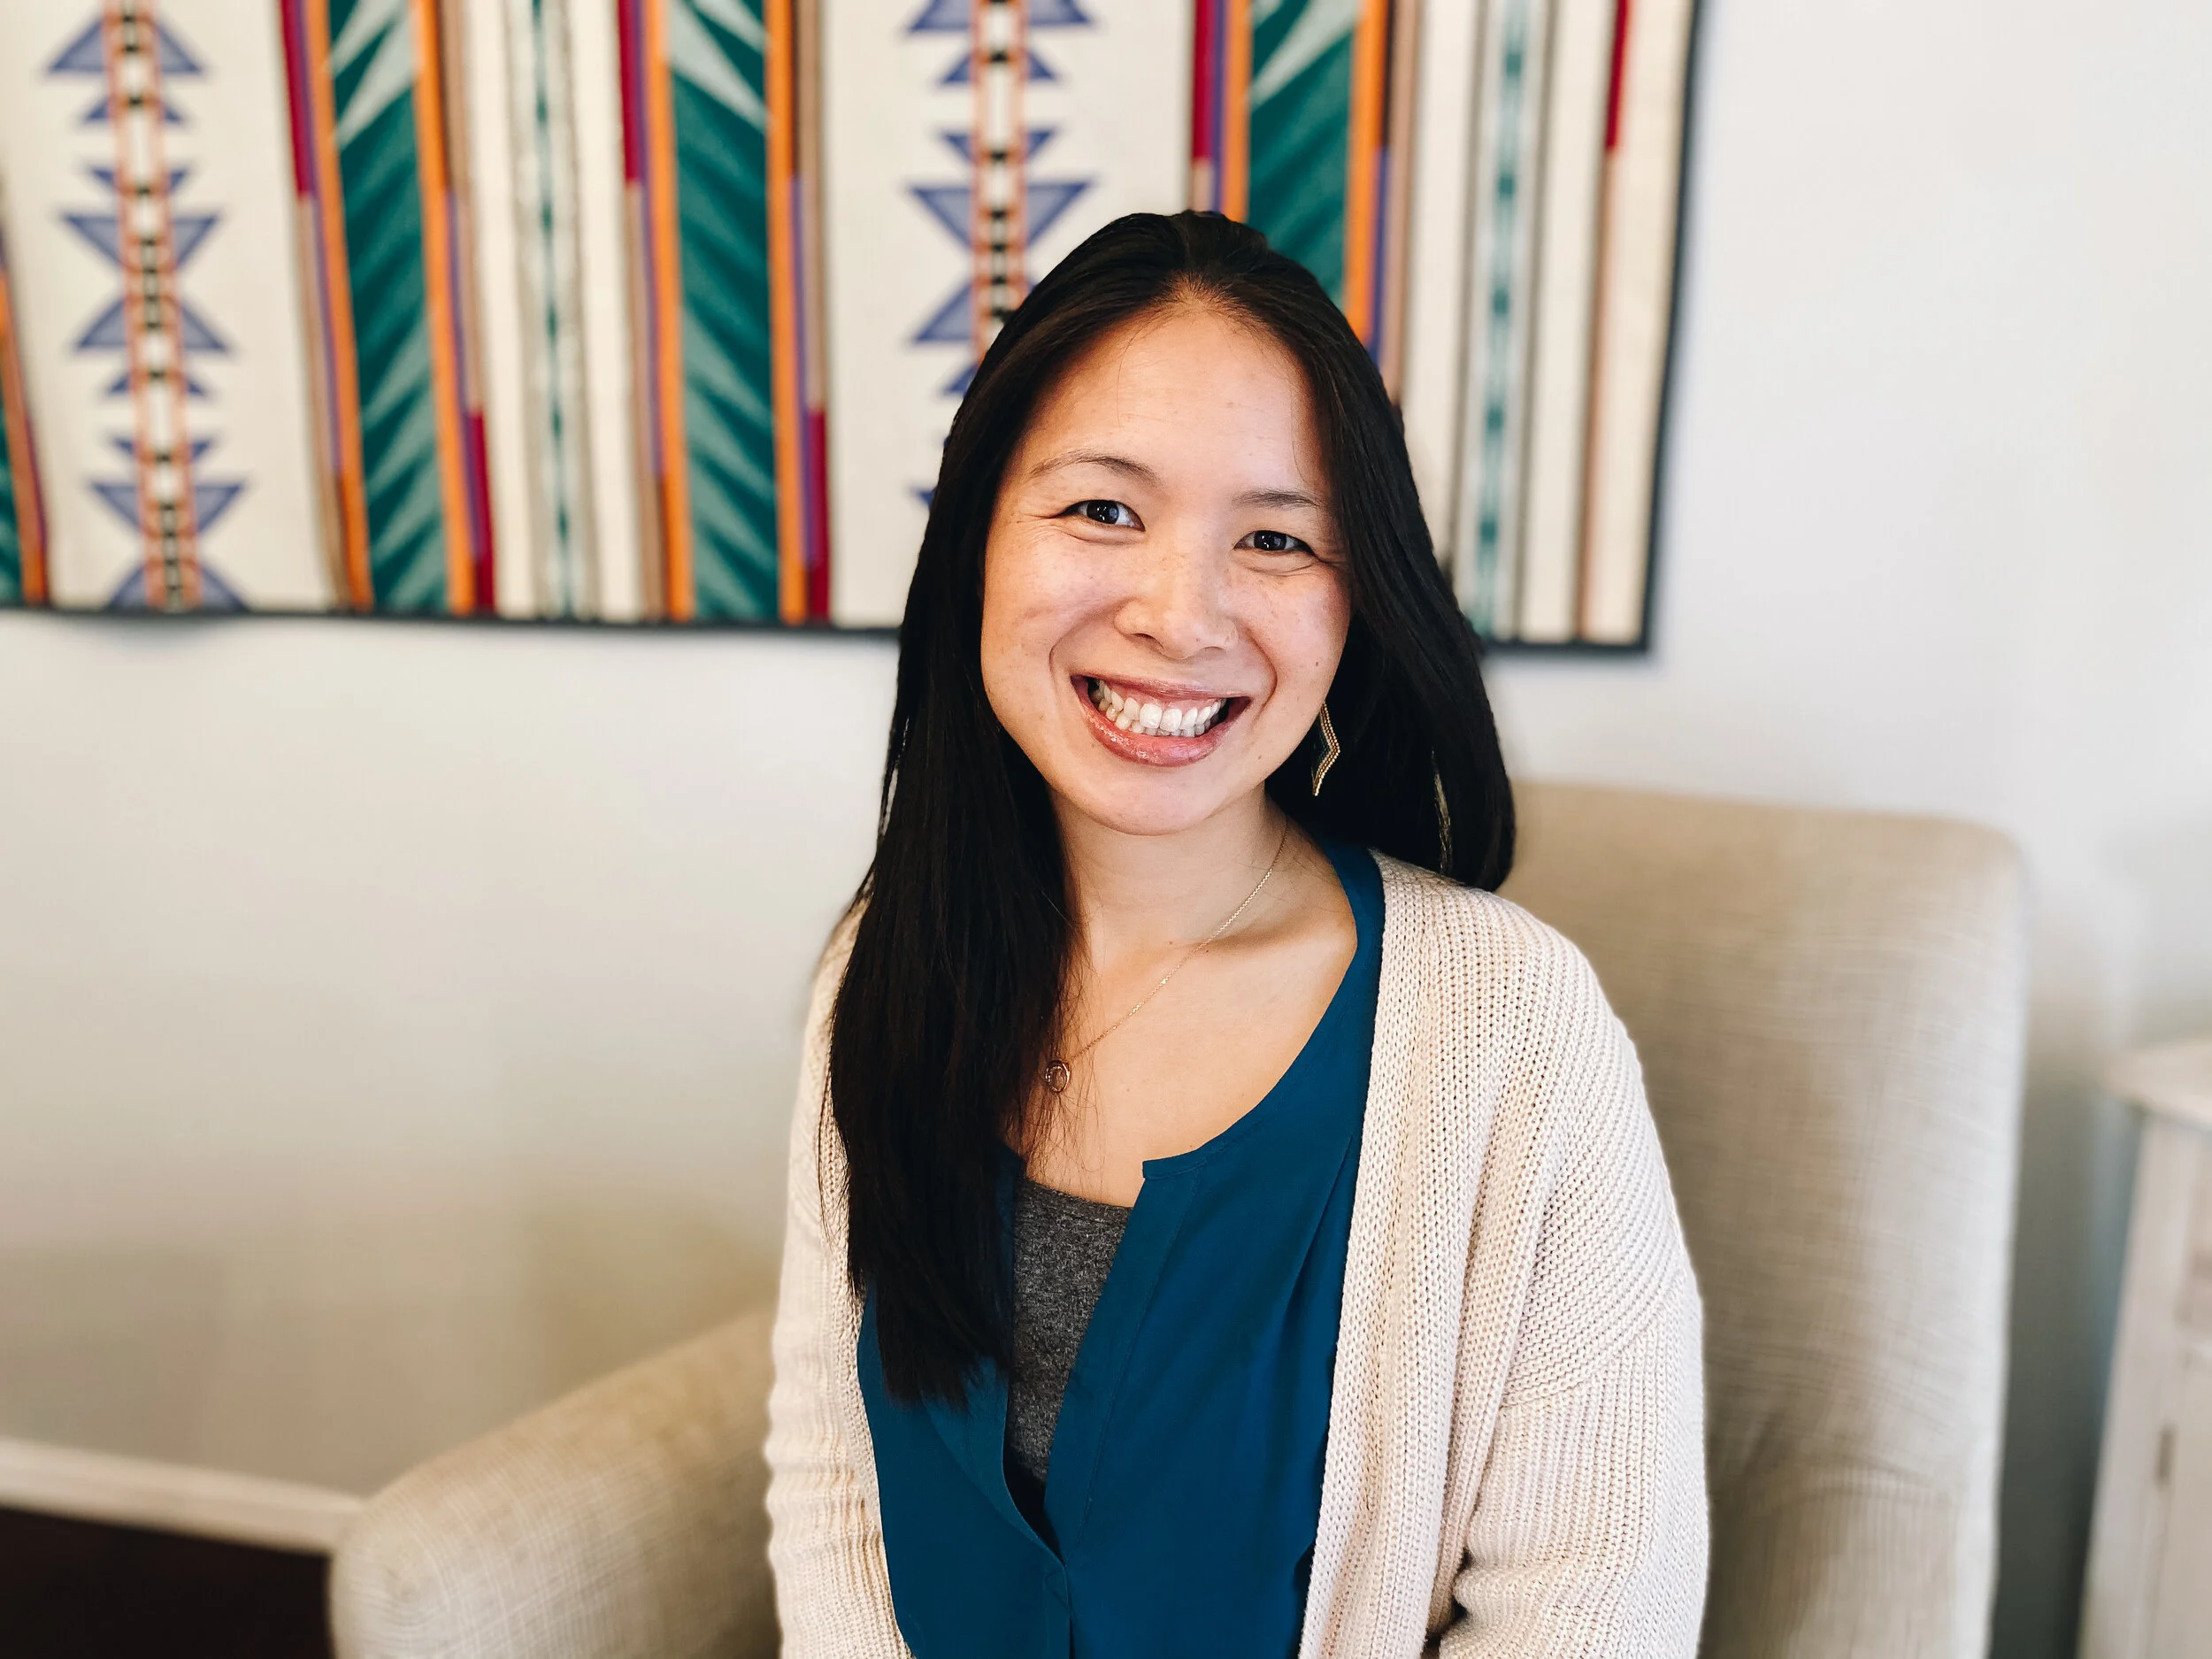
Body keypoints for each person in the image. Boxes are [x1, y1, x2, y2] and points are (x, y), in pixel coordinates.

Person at [764, 211, 1707, 1658]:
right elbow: (835, 1479)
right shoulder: (888, 967)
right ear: (975, 543)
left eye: (1273, 537)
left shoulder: (1515, 1030)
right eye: (1101, 510)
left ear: (1357, 599)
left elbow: (1590, 1614)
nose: (1179, 614)